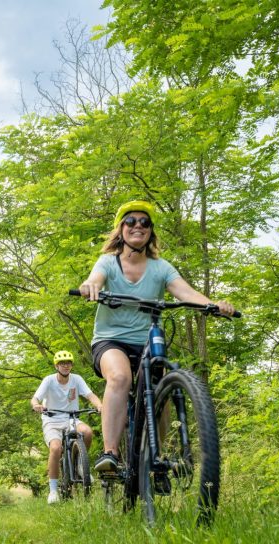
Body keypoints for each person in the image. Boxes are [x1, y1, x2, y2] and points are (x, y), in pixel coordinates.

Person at [77, 200, 235, 474]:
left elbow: (185, 292)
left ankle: (155, 458)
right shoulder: (107, 263)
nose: (138, 226)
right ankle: (110, 453)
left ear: (150, 231)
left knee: (160, 391)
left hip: (147, 342)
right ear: (121, 229)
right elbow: (95, 279)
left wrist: (213, 304)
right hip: (111, 340)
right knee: (120, 377)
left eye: (144, 222)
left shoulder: (161, 267)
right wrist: (90, 286)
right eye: (131, 221)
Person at [31, 350, 103, 504]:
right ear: (57, 366)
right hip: (52, 420)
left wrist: (99, 405)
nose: (66, 366)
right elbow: (35, 398)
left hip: (71, 418)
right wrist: (36, 405)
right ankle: (53, 490)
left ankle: (79, 465)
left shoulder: (76, 379)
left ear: (71, 365)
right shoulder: (49, 380)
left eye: (68, 363)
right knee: (56, 448)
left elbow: (90, 395)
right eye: (62, 363)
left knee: (87, 432)